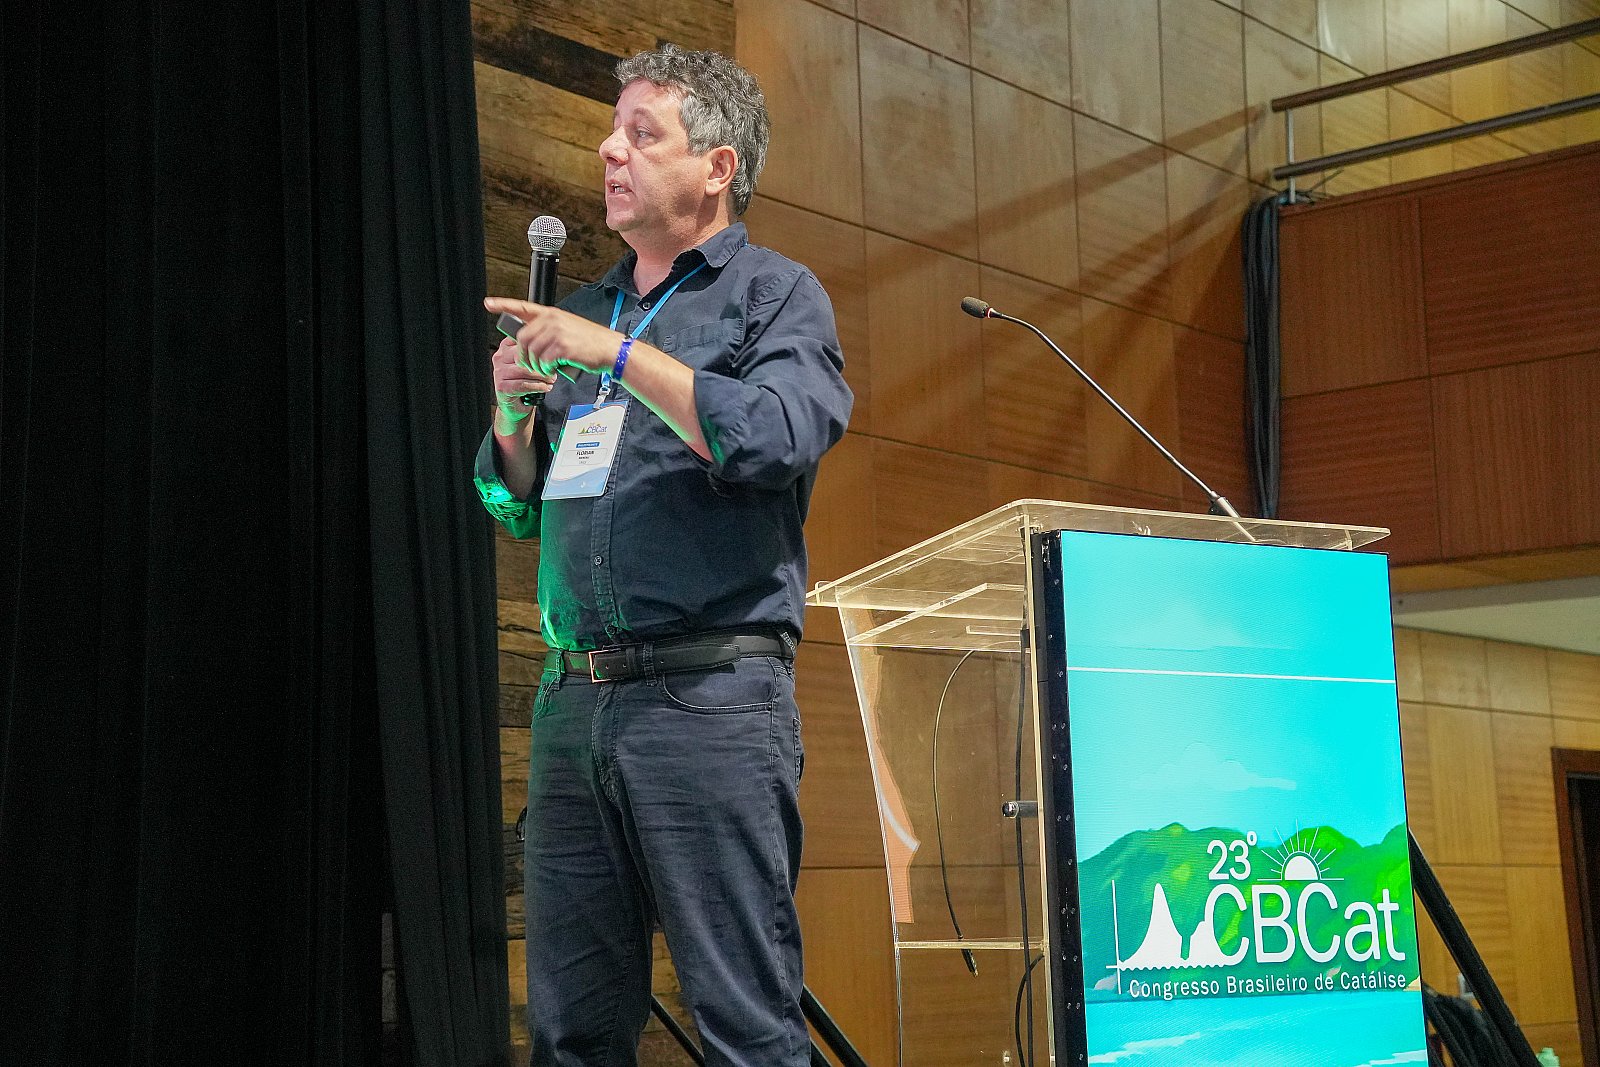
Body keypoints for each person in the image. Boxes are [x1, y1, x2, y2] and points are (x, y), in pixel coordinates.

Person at [473, 43, 853, 1067]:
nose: (610, 149)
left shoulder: (772, 295)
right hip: (573, 702)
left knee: (744, 1023)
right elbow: (512, 504)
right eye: (613, 129)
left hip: (708, 699)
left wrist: (621, 357)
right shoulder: (586, 308)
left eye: (643, 133)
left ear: (717, 166)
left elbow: (776, 435)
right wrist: (511, 417)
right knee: (571, 1029)